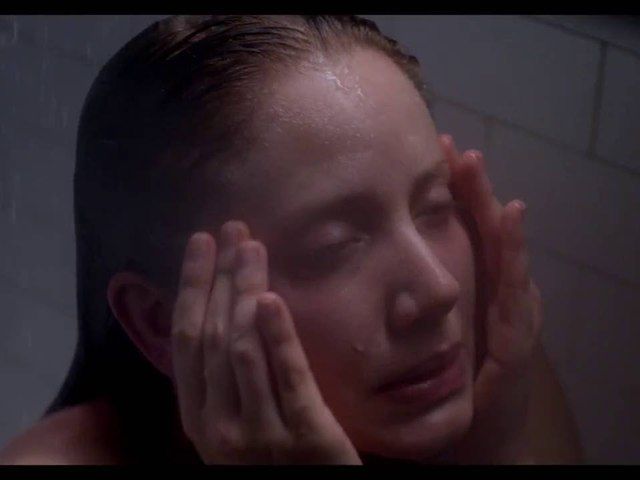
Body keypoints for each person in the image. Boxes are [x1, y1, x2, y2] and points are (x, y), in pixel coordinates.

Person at [0, 15, 582, 464]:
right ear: (160, 321)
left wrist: (496, 450)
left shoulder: (494, 372)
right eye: (332, 248)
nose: (438, 291)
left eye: (435, 207)